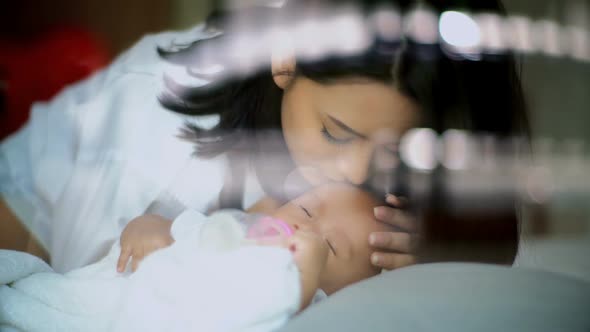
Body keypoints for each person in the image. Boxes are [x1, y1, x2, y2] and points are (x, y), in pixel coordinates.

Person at [0, 0, 528, 273]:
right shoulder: (164, 129)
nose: (354, 176)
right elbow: (94, 282)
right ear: (285, 60)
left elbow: (495, 238)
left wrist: (437, 244)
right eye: (336, 134)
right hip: (33, 210)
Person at [0, 183, 395, 332]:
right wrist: (148, 227)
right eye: (306, 211)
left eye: (332, 248)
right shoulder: (227, 230)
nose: (309, 233)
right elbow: (176, 228)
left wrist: (304, 276)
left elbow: (276, 310)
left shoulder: (311, 303)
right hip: (88, 300)